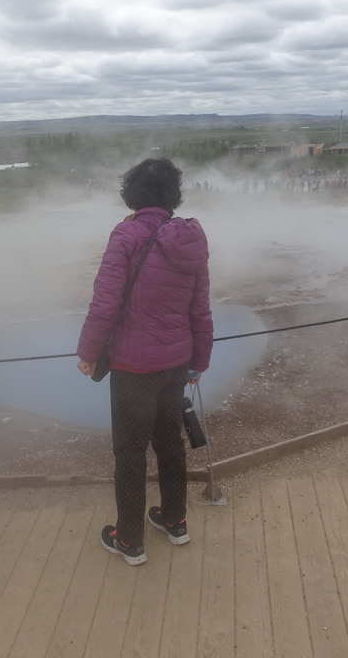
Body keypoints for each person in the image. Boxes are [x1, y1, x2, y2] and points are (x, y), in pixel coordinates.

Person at [77, 158, 213, 566]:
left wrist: (87, 353)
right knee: (170, 442)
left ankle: (130, 539)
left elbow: (105, 304)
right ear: (173, 196)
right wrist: (198, 362)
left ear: (132, 194)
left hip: (133, 367)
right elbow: (200, 310)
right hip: (175, 363)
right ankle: (175, 521)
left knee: (131, 451)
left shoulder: (127, 234)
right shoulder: (191, 241)